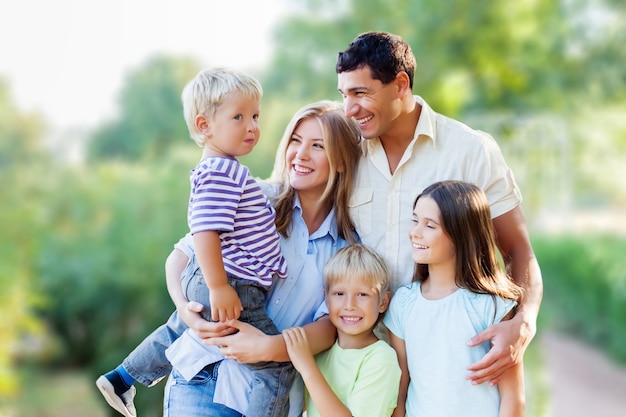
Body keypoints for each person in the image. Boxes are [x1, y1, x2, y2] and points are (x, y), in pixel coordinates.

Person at [96, 100, 362, 417]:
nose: (300, 154)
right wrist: (186, 311)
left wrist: (271, 348)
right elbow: (181, 257)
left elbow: (330, 325)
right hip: (202, 375)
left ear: (342, 161)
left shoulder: (345, 248)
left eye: (318, 146)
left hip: (265, 396)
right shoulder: (255, 199)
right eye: (295, 140)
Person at [335, 31, 543, 385]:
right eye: (344, 94)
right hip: (361, 361)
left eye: (361, 93)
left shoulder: (469, 150)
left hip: (447, 359)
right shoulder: (343, 149)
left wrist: (523, 321)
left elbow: (518, 248)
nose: (349, 109)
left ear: (400, 85)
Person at [384, 180, 525, 417]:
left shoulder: (490, 306)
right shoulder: (403, 303)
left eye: (430, 225)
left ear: (461, 235)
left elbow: (513, 399)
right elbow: (401, 389)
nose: (415, 232)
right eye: (415, 219)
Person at [283, 244, 401, 417]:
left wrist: (307, 366)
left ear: (383, 302)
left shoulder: (381, 359)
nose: (349, 305)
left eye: (362, 294)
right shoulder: (323, 352)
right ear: (326, 300)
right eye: (339, 294)